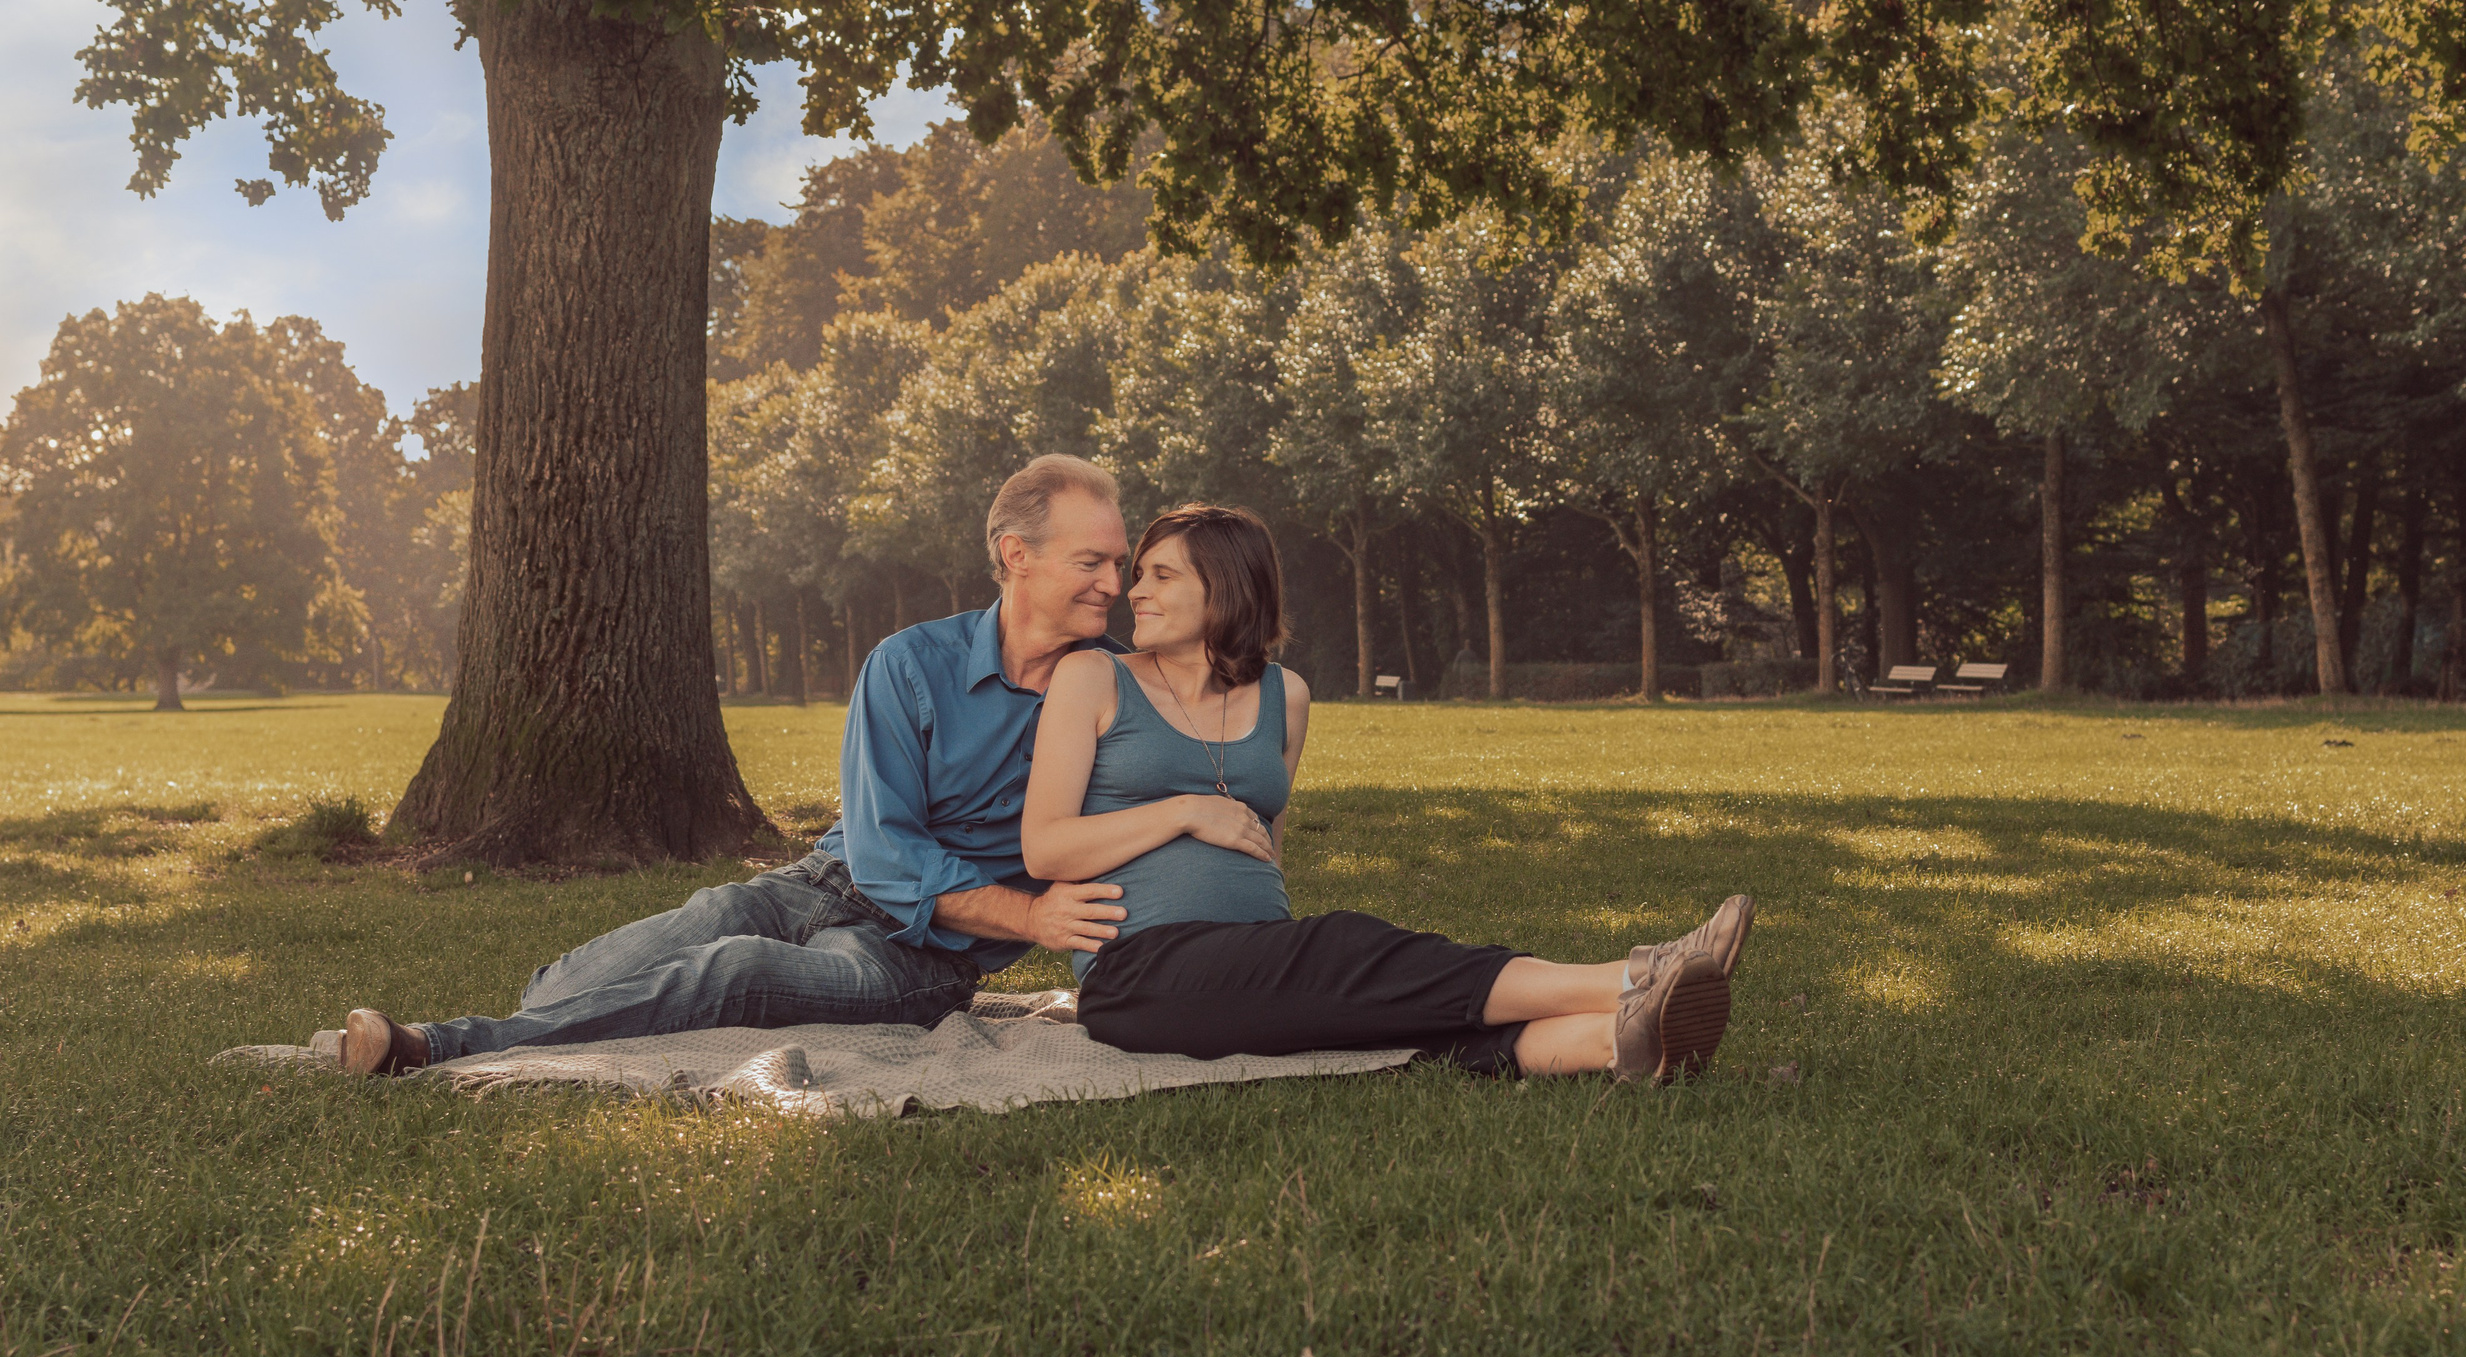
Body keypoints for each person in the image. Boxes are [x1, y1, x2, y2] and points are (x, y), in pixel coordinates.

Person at [335, 454, 1140, 1074]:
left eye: (1119, 563)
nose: (1115, 584)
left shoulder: (1117, 694)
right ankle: (559, 1022)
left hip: (920, 957)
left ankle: (437, 1048)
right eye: (1091, 562)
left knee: (733, 969)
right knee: (570, 983)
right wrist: (1030, 914)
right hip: (824, 880)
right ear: (1017, 553)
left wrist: (1045, 919)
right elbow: (887, 851)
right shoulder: (911, 664)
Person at [1022, 503, 1752, 1082]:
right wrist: (1187, 810)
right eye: (1138, 573)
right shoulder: (1094, 677)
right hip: (1139, 974)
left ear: (1227, 586)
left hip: (1258, 952)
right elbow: (1044, 846)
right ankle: (1636, 974)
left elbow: (1264, 849)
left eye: (1160, 575)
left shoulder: (1287, 696)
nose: (1133, 591)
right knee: (1346, 949)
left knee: (1372, 1019)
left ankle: (1614, 1041)